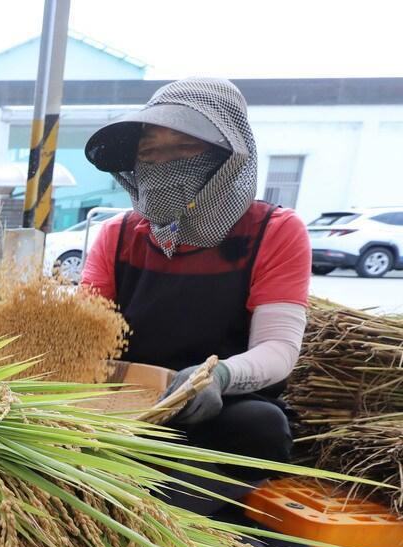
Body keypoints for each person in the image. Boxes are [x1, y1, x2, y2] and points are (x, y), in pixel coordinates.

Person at [81, 78, 311, 514]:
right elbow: (84, 331)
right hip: (128, 408)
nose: (162, 162)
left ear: (228, 158)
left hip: (218, 410)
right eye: (150, 151)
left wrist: (215, 379)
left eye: (183, 147)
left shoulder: (273, 233)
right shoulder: (118, 235)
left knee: (262, 424)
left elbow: (278, 349)